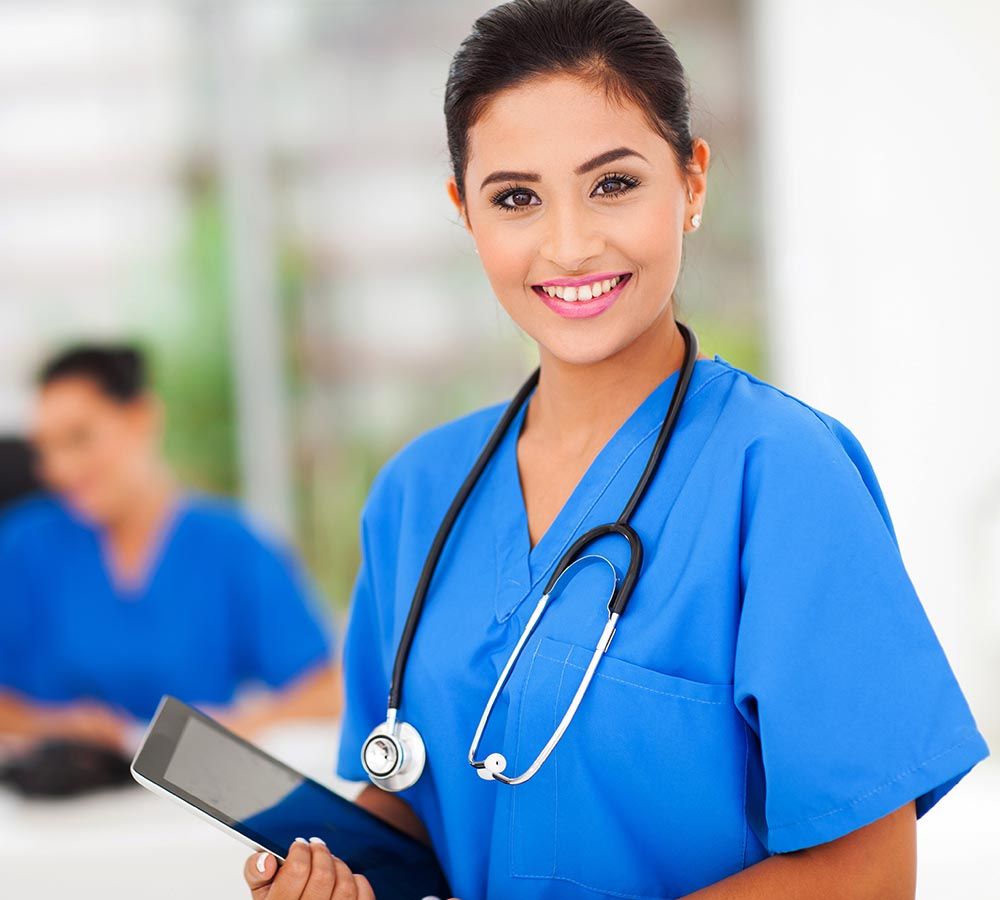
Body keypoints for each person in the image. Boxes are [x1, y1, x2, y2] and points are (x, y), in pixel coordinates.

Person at [241, 1, 990, 898]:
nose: (569, 244)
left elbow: (868, 874)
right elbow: (421, 796)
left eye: (613, 184)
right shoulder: (416, 495)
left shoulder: (784, 473)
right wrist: (339, 879)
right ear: (464, 213)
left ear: (694, 183)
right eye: (516, 197)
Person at [0, 344, 340, 752]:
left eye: (79, 438)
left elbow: (328, 690)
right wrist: (51, 726)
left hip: (185, 801)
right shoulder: (27, 547)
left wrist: (238, 725)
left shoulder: (231, 546)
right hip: (55, 802)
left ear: (142, 418)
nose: (60, 469)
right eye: (45, 449)